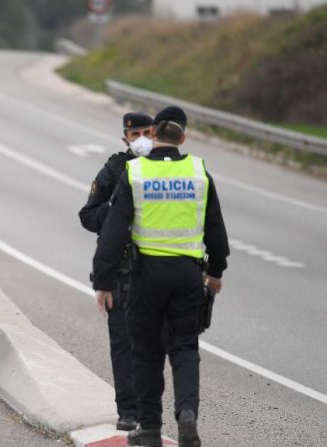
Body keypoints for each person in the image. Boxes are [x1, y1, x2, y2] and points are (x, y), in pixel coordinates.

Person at [91, 107, 229, 447]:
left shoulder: (135, 173)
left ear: (154, 138)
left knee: (146, 352)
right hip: (187, 274)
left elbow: (112, 234)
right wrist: (216, 272)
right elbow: (216, 230)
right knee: (185, 348)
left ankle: (150, 427)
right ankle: (187, 414)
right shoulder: (198, 171)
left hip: (145, 275)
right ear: (182, 138)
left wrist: (103, 282)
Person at [79, 112, 154, 432]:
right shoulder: (114, 168)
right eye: (134, 134)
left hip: (157, 269)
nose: (141, 139)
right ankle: (128, 410)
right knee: (124, 343)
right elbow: (89, 215)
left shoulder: (169, 166)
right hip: (123, 269)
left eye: (146, 132)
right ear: (125, 138)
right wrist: (120, 208)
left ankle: (152, 408)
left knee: (155, 344)